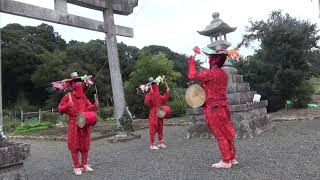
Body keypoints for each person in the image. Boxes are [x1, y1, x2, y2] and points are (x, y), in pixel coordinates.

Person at [188, 48, 237, 168]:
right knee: (227, 132)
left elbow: (192, 75)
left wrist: (191, 60)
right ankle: (232, 157)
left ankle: (226, 161)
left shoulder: (211, 73)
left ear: (213, 60)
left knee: (220, 134)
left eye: (210, 58)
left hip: (213, 108)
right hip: (223, 108)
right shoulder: (223, 73)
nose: (209, 59)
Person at [58, 72, 98, 175]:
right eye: (76, 82)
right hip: (73, 123)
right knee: (74, 145)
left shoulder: (84, 96)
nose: (79, 83)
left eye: (80, 81)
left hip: (84, 123)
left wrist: (95, 106)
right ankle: (76, 166)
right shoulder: (68, 96)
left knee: (85, 144)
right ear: (72, 84)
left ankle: (84, 164)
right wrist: (67, 106)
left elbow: (89, 108)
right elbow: (60, 108)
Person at [144, 78, 170, 150]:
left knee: (160, 128)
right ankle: (152, 145)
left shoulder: (158, 95)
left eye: (155, 85)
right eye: (153, 85)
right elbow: (146, 102)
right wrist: (150, 93)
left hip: (159, 112)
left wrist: (167, 92)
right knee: (153, 128)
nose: (155, 86)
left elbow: (164, 98)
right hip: (153, 113)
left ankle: (160, 143)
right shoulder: (149, 94)